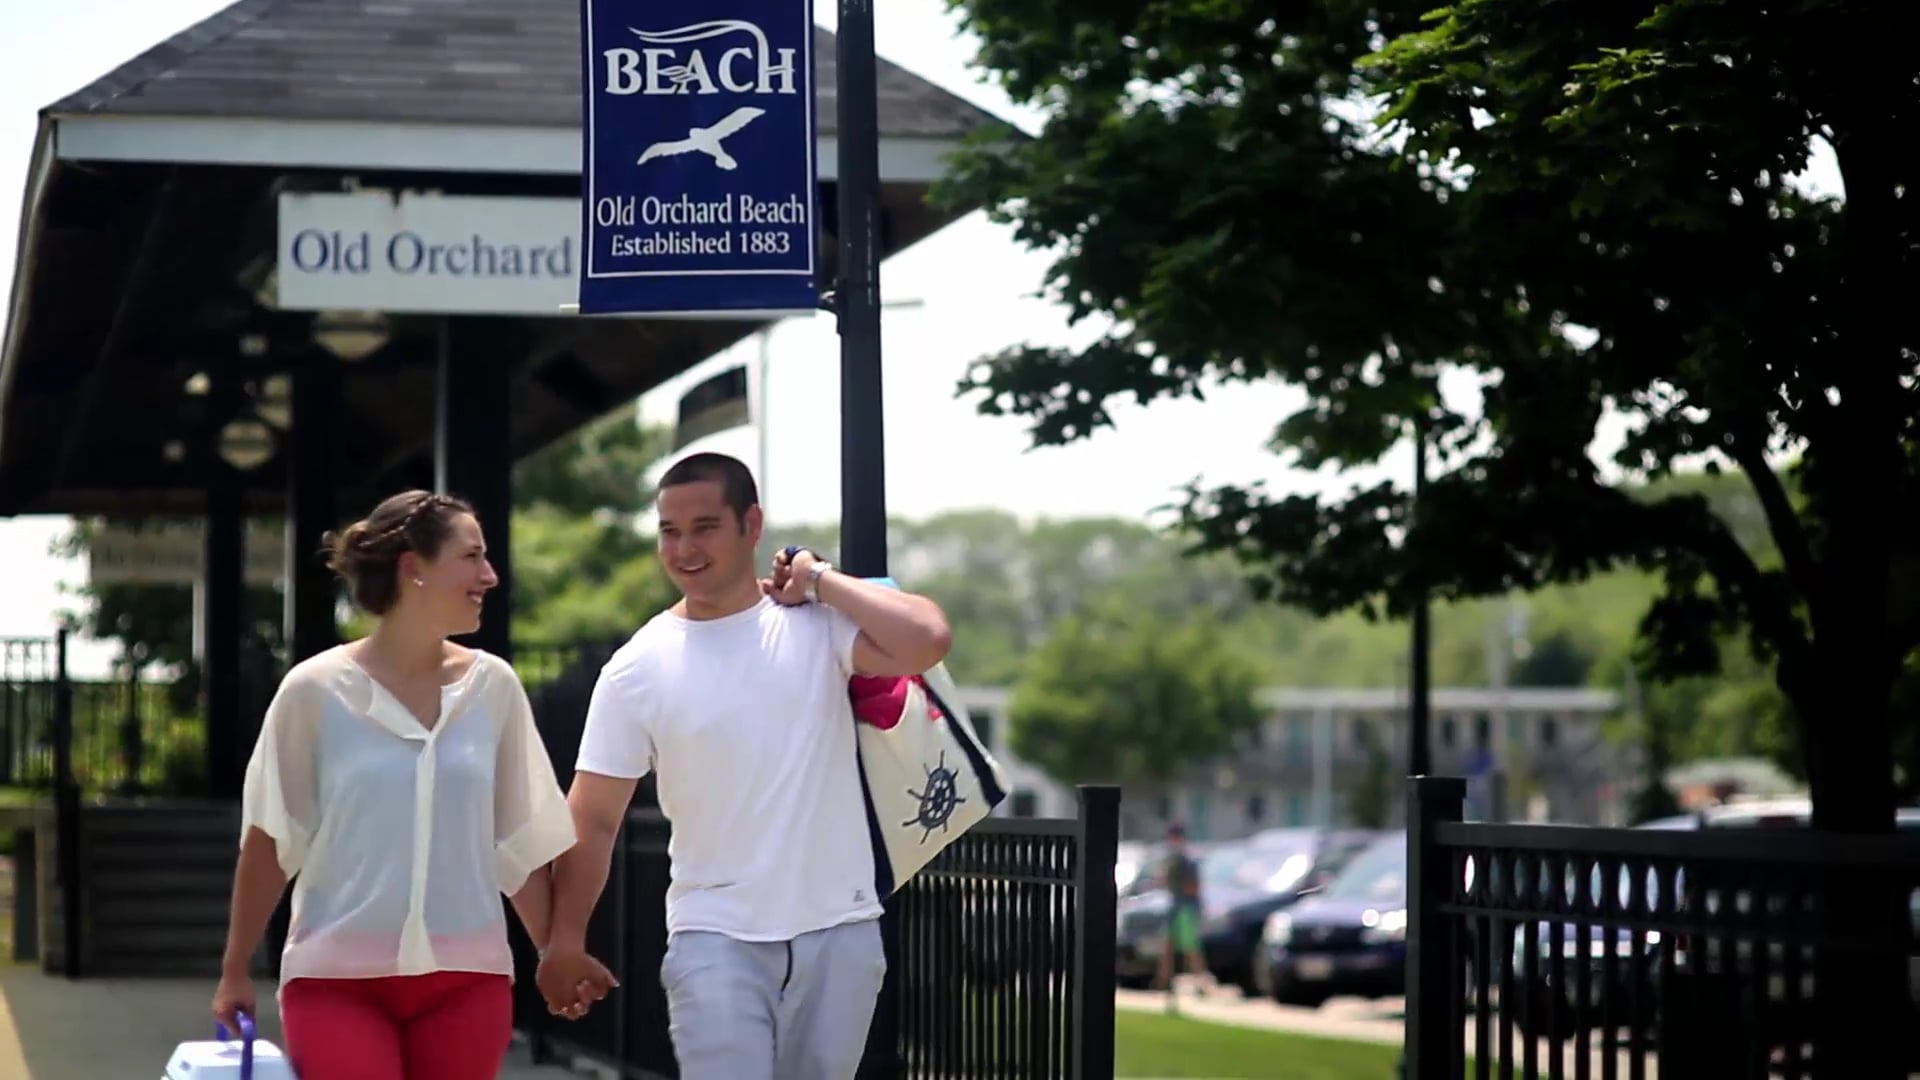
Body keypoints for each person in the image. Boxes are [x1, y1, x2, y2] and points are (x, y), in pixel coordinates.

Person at [536, 452, 953, 1080]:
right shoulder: (635, 668)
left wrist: (818, 578)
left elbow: (928, 636)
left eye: (704, 527)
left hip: (840, 928)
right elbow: (592, 818)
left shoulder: (816, 626)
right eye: (669, 532)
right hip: (714, 936)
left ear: (751, 525)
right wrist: (564, 939)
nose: (684, 549)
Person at [210, 490, 579, 1080]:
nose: (489, 574)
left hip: (468, 982)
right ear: (414, 569)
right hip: (335, 984)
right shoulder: (313, 691)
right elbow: (270, 841)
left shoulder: (495, 689)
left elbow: (519, 841)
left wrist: (556, 952)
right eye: (472, 557)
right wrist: (234, 970)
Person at [1154, 822, 1213, 1010]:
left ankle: (1199, 982)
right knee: (1169, 944)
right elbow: (1163, 880)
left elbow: (1193, 887)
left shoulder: (1186, 860)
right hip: (1175, 905)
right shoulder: (1172, 858)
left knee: (1190, 947)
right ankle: (1164, 981)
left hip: (1186, 906)